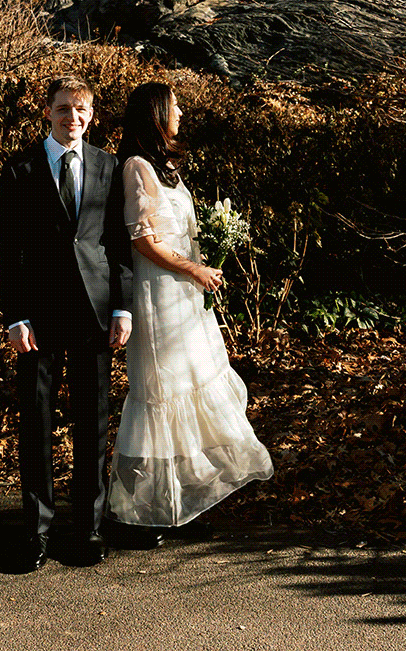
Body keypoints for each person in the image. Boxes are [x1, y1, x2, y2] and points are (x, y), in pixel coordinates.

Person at [108, 82, 273, 540]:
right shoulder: (137, 167)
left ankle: (180, 505)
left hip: (184, 298)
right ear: (157, 114)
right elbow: (143, 240)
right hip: (159, 297)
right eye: (175, 104)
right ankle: (139, 514)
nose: (181, 111)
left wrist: (203, 266)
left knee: (191, 385)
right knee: (160, 395)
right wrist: (193, 269)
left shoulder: (168, 169)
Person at [0, 75, 133, 571]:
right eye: (62, 109)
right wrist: (14, 317)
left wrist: (123, 308)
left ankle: (89, 529)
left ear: (90, 115)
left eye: (80, 110)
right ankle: (35, 531)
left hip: (95, 312)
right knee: (36, 422)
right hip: (39, 316)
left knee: (93, 426)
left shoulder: (109, 167)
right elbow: (8, 251)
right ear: (47, 113)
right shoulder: (20, 169)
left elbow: (117, 243)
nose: (71, 118)